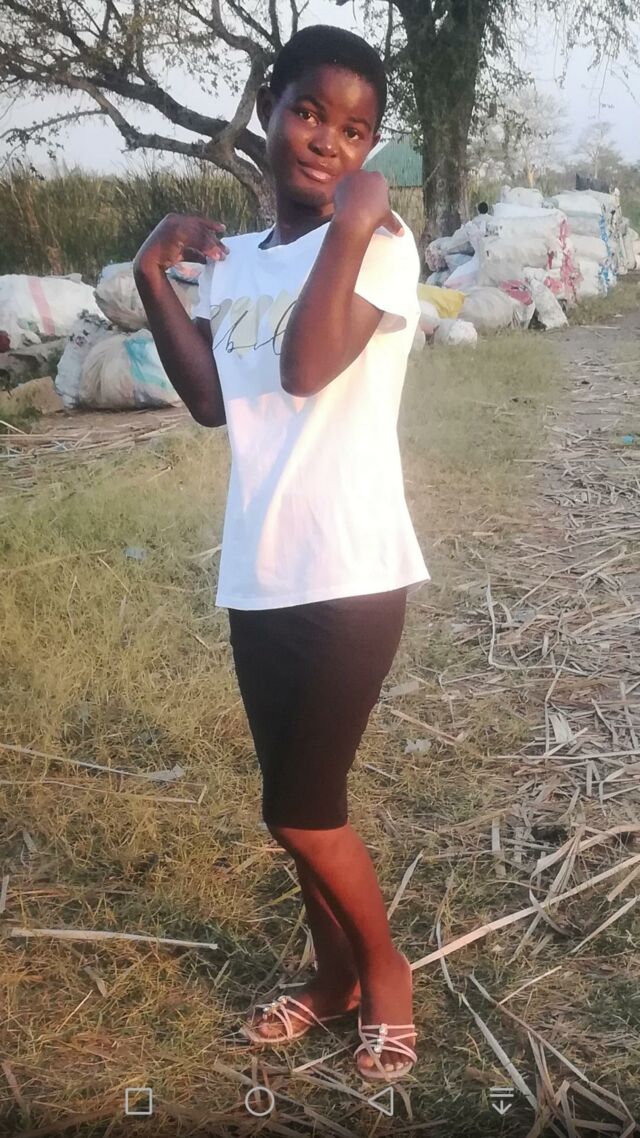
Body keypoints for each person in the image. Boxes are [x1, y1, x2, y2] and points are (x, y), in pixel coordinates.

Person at [133, 24, 429, 1083]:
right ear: (269, 107)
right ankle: (331, 976)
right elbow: (214, 401)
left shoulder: (381, 245)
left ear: (369, 149)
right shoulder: (239, 263)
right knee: (305, 809)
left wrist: (349, 225)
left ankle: (385, 972)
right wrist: (152, 274)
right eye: (308, 112)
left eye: (353, 130)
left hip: (351, 571)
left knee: (298, 811)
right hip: (258, 570)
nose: (326, 141)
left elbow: (305, 368)